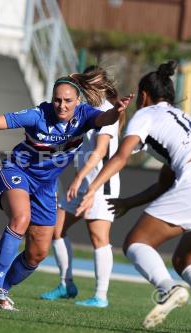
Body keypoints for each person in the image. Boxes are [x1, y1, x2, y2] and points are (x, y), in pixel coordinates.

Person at [0, 69, 133, 311]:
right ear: (51, 99)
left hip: (46, 187)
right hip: (17, 171)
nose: (61, 105)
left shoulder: (85, 115)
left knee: (37, 254)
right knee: (21, 218)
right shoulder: (37, 115)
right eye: (57, 100)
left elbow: (105, 120)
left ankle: (0, 291)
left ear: (77, 102)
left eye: (68, 101)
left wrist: (116, 111)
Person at [77, 61, 191, 333]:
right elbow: (165, 183)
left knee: (136, 243)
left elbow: (120, 156)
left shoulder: (146, 114)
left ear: (143, 96)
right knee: (185, 260)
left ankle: (168, 290)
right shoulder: (183, 119)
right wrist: (129, 203)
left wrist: (92, 188)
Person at [40, 66, 124, 309]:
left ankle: (101, 295)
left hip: (102, 184)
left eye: (96, 84)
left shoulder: (108, 111)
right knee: (56, 228)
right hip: (84, 181)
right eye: (89, 84)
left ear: (104, 87)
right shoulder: (85, 110)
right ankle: (66, 285)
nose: (92, 88)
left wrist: (78, 180)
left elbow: (99, 152)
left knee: (98, 237)